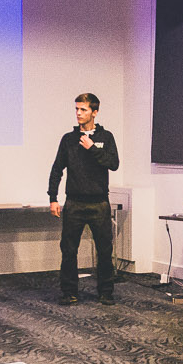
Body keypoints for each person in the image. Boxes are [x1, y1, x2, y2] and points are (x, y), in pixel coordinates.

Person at [47, 92, 120, 306]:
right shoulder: (68, 139)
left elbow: (113, 164)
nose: (78, 113)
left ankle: (106, 292)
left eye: (83, 109)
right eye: (77, 109)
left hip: (99, 203)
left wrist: (92, 148)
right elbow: (57, 169)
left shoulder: (106, 137)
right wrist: (53, 198)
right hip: (74, 203)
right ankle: (69, 292)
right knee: (69, 250)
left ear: (94, 112)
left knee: (104, 250)